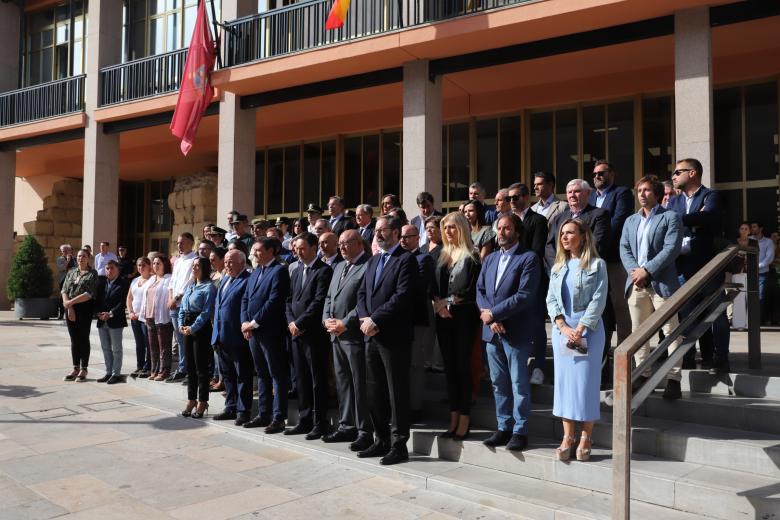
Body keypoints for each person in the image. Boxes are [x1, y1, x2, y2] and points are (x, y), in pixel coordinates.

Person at [477, 214, 541, 451]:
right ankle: (503, 427)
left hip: (516, 331)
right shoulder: (491, 258)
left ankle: (520, 431)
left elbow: (524, 296)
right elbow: (480, 289)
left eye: (506, 228)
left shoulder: (528, 258)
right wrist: (489, 316)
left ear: (517, 231)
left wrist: (493, 314)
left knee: (518, 383)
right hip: (492, 332)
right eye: (499, 228)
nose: (501, 232)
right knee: (498, 383)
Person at [546, 219, 607, 462]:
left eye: (570, 232)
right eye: (562, 233)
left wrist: (580, 329)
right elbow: (551, 298)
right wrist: (562, 326)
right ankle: (567, 437)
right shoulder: (558, 266)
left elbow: (599, 298)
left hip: (588, 331)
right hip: (563, 331)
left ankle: (586, 437)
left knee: (585, 385)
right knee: (564, 385)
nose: (564, 237)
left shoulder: (597, 264)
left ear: (583, 236)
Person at [356, 215, 416, 465]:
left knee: (396, 392)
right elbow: (361, 293)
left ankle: (399, 444)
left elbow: (403, 296)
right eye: (376, 230)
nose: (378, 234)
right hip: (371, 336)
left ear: (395, 232)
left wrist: (375, 320)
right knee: (374, 390)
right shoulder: (373, 261)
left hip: (394, 337)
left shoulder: (407, 260)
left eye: (383, 230)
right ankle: (380, 440)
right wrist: (363, 318)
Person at [619, 175, 684, 400]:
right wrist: (636, 272)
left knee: (671, 332)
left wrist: (647, 270)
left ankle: (673, 379)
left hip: (662, 283)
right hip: (637, 284)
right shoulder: (630, 221)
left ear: (656, 194)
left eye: (647, 190)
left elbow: (671, 248)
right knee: (639, 332)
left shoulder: (670, 217)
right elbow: (624, 248)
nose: (642, 194)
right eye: (639, 190)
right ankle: (643, 374)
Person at [667, 158, 730, 373]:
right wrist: (695, 217)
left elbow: (710, 216)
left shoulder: (710, 195)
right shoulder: (674, 201)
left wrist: (682, 219)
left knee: (716, 313)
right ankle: (688, 358)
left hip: (708, 266)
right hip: (683, 267)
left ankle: (720, 359)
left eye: (677, 172)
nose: (673, 176)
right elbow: (669, 224)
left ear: (692, 173)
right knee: (686, 315)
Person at [321, 229, 373, 450]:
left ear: (359, 244)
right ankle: (346, 426)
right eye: (340, 244)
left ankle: (364, 430)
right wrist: (326, 320)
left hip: (353, 336)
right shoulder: (340, 267)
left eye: (346, 243)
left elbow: (364, 302)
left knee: (359, 384)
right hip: (336, 336)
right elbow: (329, 297)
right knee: (343, 383)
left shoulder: (368, 266)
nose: (341, 247)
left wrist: (345, 322)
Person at [433, 212, 481, 441]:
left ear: (461, 228)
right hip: (442, 318)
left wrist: (448, 302)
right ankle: (453, 416)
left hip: (463, 318)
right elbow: (433, 286)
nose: (448, 231)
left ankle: (464, 417)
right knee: (449, 369)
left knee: (462, 367)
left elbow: (470, 290)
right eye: (446, 228)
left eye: (452, 227)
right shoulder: (441, 255)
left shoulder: (472, 256)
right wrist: (438, 304)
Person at [285, 232, 334, 439]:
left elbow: (319, 301)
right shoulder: (296, 271)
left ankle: (320, 422)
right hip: (295, 333)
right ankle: (304, 419)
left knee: (317, 379)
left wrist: (300, 323)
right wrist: (290, 322)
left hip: (313, 334)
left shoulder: (324, 271)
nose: (298, 251)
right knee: (302, 379)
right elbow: (288, 300)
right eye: (296, 248)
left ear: (314, 248)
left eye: (302, 248)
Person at [240, 238, 291, 433]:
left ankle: (278, 417)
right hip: (253, 332)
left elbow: (274, 301)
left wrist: (253, 323)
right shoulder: (254, 273)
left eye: (259, 250)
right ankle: (263, 414)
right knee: (261, 374)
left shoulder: (278, 271)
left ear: (272, 251)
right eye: (254, 250)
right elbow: (246, 299)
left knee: (277, 374)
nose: (255, 254)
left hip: (270, 331)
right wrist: (245, 323)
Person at [589, 160, 634, 352]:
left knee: (620, 306)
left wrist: (597, 245)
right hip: (592, 259)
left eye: (601, 173)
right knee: (599, 308)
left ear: (612, 175)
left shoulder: (621, 193)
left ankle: (625, 352)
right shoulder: (590, 196)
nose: (597, 177)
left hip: (613, 258)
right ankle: (602, 351)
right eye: (594, 174)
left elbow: (618, 221)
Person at [507, 182, 548, 385]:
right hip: (510, 284)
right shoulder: (506, 222)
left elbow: (536, 250)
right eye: (509, 198)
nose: (511, 202)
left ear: (526, 198)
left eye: (515, 197)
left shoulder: (538, 220)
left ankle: (539, 367)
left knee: (537, 326)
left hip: (532, 282)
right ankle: (519, 367)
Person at [211, 250, 254, 425]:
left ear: (242, 263)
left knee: (242, 375)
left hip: (237, 337)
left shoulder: (247, 281)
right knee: (227, 375)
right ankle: (230, 406)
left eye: (231, 262)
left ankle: (243, 410)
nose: (227, 264)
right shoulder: (225, 279)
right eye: (226, 261)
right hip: (220, 336)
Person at [399, 224, 436, 421]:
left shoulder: (424, 258)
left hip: (416, 319)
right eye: (401, 237)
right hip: (398, 321)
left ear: (417, 238)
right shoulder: (396, 258)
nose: (404, 240)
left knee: (415, 365)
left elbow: (419, 287)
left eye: (408, 236)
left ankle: (415, 407)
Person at [178, 257, 217, 419]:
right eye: (193, 265)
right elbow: (182, 307)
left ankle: (202, 401)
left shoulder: (209, 287)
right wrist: (181, 324)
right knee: (190, 366)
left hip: (200, 328)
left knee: (201, 367)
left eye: (197, 266)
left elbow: (206, 312)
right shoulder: (191, 285)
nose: (194, 268)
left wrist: (193, 328)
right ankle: (191, 399)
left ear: (204, 268)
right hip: (186, 325)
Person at [545, 179, 610, 274]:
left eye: (577, 191)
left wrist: (575, 266)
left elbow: (598, 244)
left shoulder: (600, 215)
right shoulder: (558, 218)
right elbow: (549, 246)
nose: (572, 195)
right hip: (560, 271)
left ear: (588, 193)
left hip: (587, 271)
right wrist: (557, 267)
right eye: (569, 192)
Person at [61, 248, 98, 382]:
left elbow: (89, 294)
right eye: (78, 256)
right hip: (70, 307)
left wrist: (70, 303)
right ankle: (75, 367)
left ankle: (84, 368)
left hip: (84, 308)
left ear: (88, 258)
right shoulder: (71, 272)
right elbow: (64, 289)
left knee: (83, 337)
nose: (80, 258)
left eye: (83, 256)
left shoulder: (92, 274)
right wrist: (68, 304)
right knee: (74, 339)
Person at [94, 260, 130, 384]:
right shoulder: (102, 283)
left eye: (112, 268)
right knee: (105, 348)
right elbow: (97, 300)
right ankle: (108, 372)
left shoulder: (123, 283)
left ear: (117, 269)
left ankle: (116, 373)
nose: (109, 270)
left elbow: (123, 303)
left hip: (116, 320)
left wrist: (110, 313)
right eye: (107, 268)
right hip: (101, 320)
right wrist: (98, 313)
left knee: (116, 349)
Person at [168, 233, 197, 383]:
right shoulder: (178, 261)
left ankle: (190, 370)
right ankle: (182, 367)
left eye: (183, 243)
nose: (179, 245)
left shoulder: (194, 259)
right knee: (179, 339)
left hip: (185, 305)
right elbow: (173, 281)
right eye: (178, 243)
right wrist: (170, 296)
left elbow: (190, 282)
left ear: (191, 243)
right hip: (174, 304)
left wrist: (177, 297)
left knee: (187, 339)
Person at [141, 255, 174, 381]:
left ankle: (164, 370)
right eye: (154, 263)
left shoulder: (169, 278)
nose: (155, 266)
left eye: (158, 263)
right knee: (153, 346)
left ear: (165, 264)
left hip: (162, 317)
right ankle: (154, 370)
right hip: (150, 316)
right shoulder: (152, 279)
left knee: (164, 346)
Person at [127, 257, 153, 378]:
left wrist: (139, 314)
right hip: (134, 317)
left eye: (143, 265)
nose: (140, 268)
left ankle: (148, 367)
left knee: (148, 343)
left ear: (149, 266)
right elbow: (129, 297)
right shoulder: (135, 280)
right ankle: (140, 366)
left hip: (145, 317)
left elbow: (150, 300)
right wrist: (130, 312)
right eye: (138, 265)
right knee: (139, 343)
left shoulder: (152, 280)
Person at [751, 221, 775, 306]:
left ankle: (759, 318)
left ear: (760, 229)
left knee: (760, 296)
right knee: (750, 296)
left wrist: (758, 266)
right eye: (752, 227)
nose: (752, 229)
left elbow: (769, 258)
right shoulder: (749, 239)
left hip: (762, 273)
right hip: (749, 273)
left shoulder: (768, 242)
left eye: (754, 227)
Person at [56, 244, 76, 319]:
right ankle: (61, 313)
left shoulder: (74, 259)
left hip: (73, 279)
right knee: (63, 296)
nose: (64, 252)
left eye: (66, 250)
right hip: (64, 279)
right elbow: (61, 268)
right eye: (63, 250)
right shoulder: (60, 259)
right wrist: (67, 261)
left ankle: (70, 312)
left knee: (72, 296)